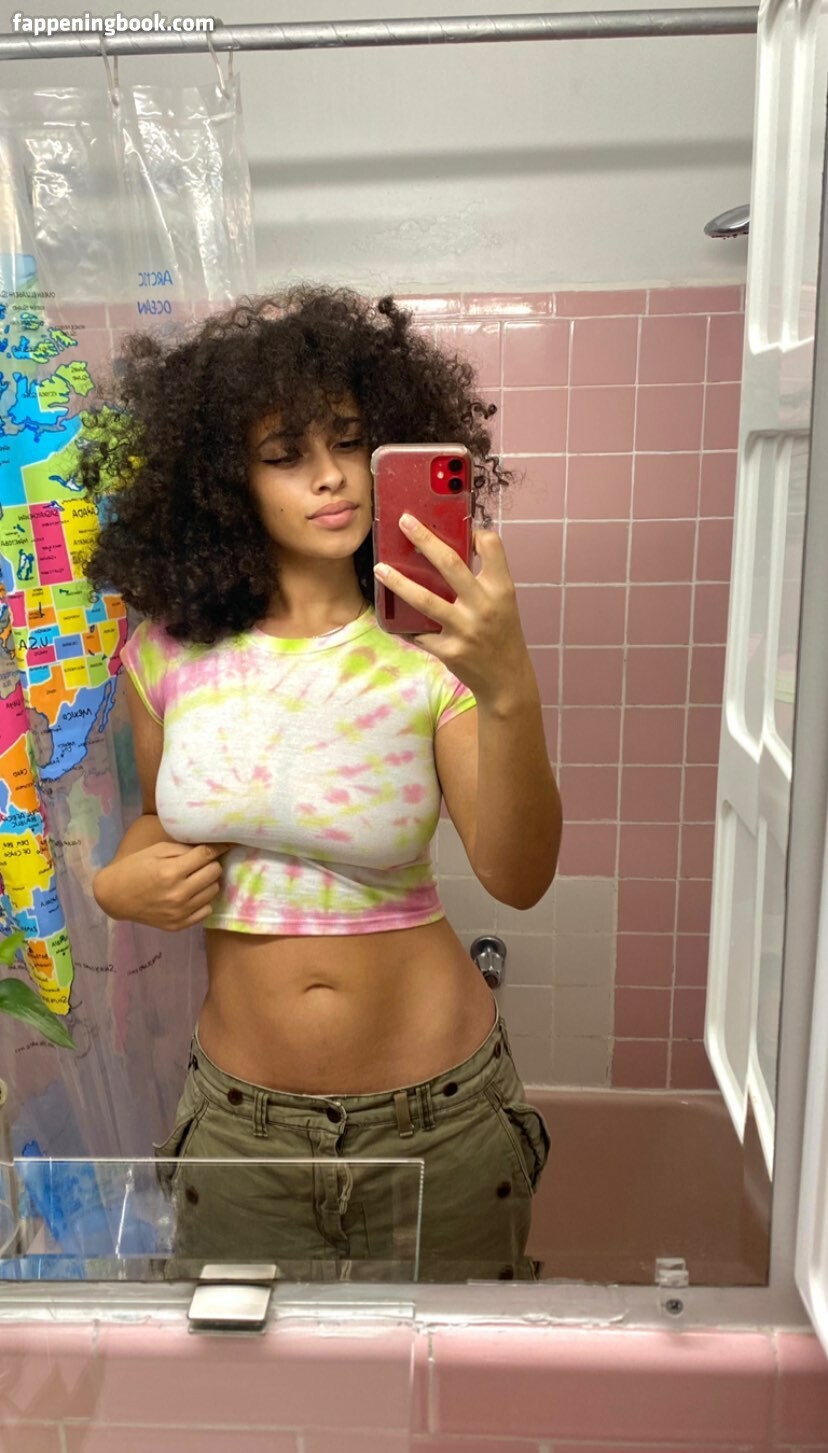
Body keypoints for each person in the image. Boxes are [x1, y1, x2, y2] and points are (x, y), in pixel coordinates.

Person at [83, 285, 562, 1283]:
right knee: (248, 1380)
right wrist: (117, 883)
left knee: (450, 1385)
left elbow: (518, 877)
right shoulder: (165, 654)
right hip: (241, 1130)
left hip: (439, 1119)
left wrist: (508, 687)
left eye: (348, 442)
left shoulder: (432, 648)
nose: (332, 476)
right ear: (225, 482)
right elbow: (157, 824)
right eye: (285, 453)